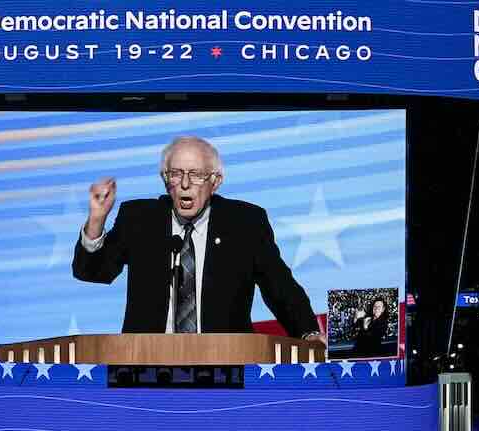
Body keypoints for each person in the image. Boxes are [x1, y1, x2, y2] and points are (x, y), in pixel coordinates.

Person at [73, 135, 321, 339]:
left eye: (196, 174)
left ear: (215, 182)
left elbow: (281, 288)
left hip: (227, 365)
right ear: (164, 179)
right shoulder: (140, 219)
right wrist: (96, 219)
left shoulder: (245, 223)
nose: (185, 184)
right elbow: (93, 272)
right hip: (147, 365)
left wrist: (308, 333)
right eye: (176, 174)